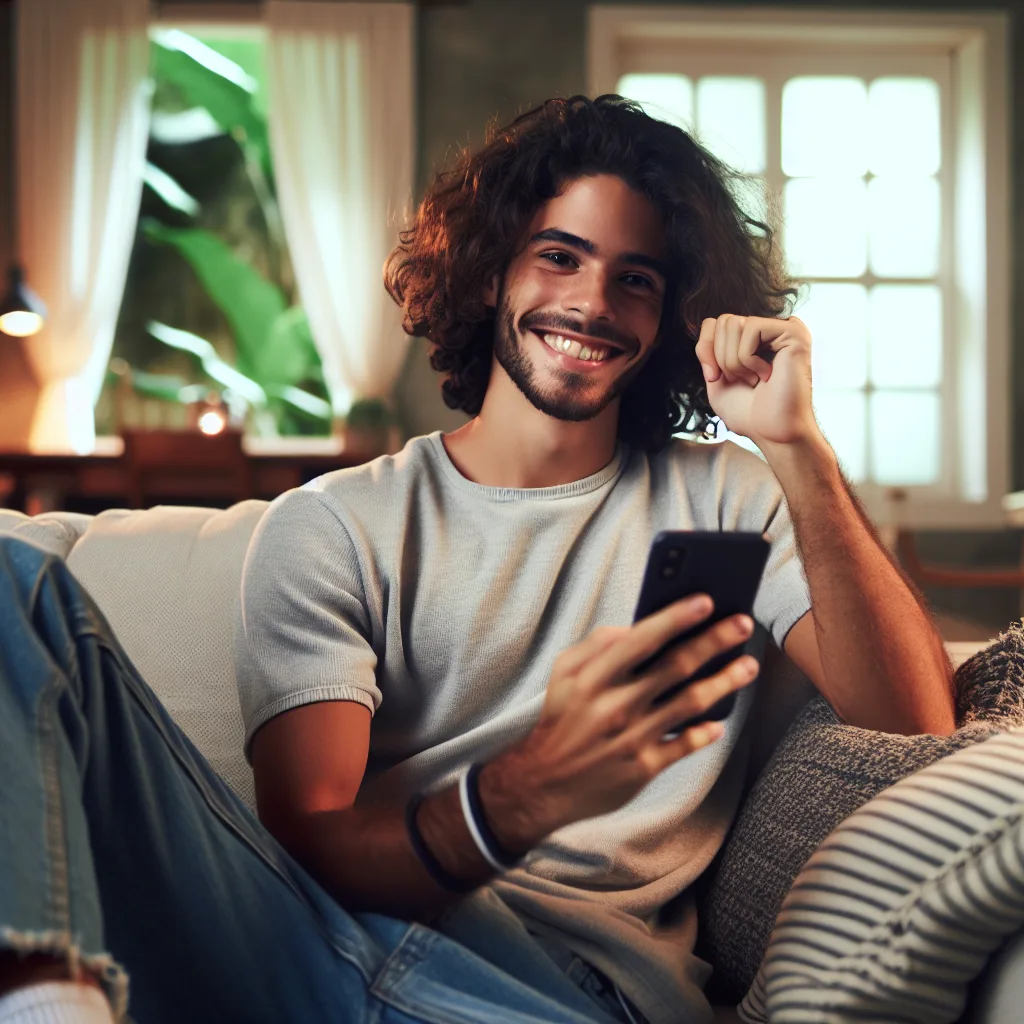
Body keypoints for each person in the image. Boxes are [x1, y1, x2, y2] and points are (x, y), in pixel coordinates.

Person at [0, 95, 954, 1024]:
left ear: (670, 319)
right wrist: (529, 790)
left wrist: (799, 449)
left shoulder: (729, 496)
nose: (591, 302)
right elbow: (314, 846)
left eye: (636, 279)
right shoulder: (335, 525)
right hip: (331, 947)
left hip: (556, 985)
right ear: (493, 272)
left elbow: (913, 721)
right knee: (15, 584)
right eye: (560, 257)